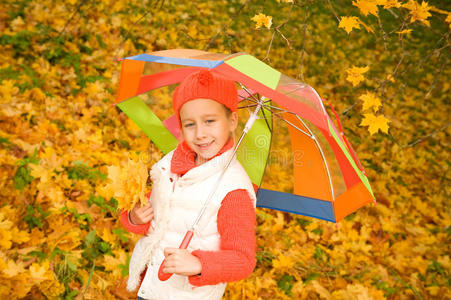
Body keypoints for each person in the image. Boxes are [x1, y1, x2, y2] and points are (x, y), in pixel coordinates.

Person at [120, 69, 257, 300]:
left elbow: (242, 260)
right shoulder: (170, 166)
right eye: (190, 124)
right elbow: (155, 220)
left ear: (232, 120)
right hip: (151, 284)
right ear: (181, 127)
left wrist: (198, 263)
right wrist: (135, 218)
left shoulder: (234, 189)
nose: (200, 133)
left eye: (210, 121)